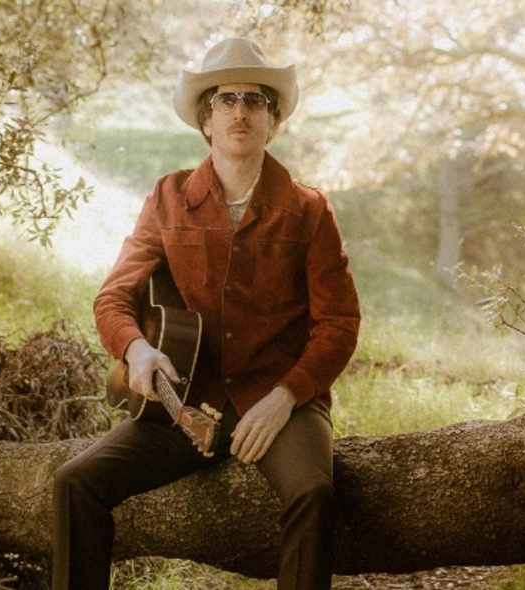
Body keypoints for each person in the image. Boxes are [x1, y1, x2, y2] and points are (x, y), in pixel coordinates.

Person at [51, 37, 361, 590]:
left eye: (255, 101)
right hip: (188, 401)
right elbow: (112, 299)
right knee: (76, 482)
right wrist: (136, 348)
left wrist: (287, 396)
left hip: (280, 400)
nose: (240, 111)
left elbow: (339, 324)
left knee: (314, 495)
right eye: (225, 100)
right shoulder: (168, 197)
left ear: (273, 121)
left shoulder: (310, 209)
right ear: (207, 122)